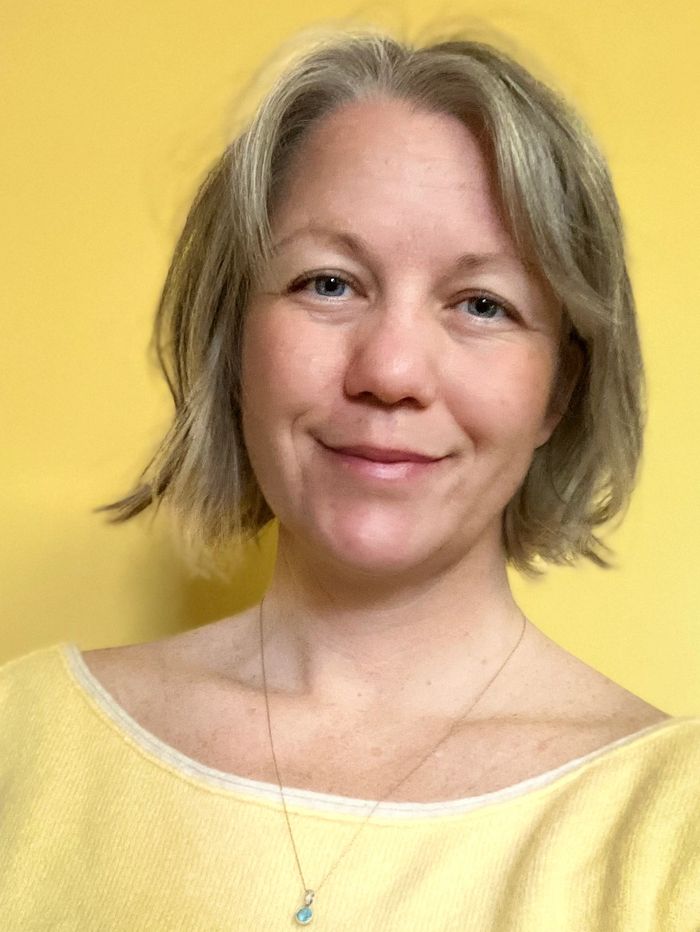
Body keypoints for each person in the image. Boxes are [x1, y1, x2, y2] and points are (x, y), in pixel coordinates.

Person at [1, 25, 698, 931]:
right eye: (329, 283)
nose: (392, 370)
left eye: (482, 304)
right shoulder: (26, 740)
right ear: (234, 343)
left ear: (560, 387)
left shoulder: (673, 824)